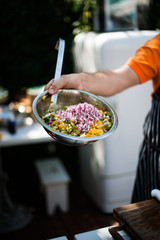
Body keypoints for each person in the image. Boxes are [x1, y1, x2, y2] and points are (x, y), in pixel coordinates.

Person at [45, 33, 160, 203]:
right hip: (156, 159)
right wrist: (80, 81)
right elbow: (118, 78)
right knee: (143, 223)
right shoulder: (157, 46)